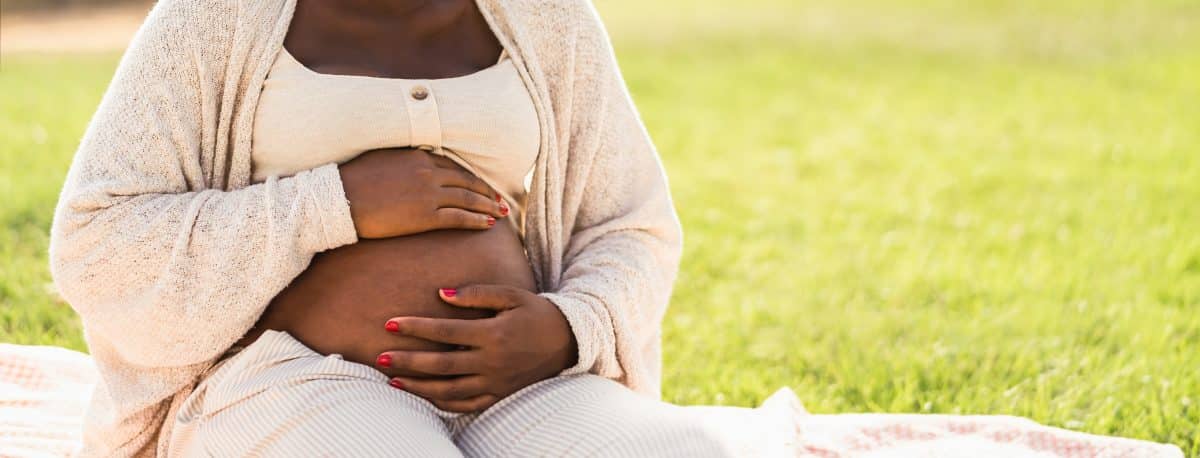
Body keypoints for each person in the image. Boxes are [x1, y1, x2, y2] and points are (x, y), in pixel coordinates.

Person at [49, 0, 732, 455]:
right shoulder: (214, 17)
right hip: (296, 380)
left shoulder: (545, 16)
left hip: (522, 385)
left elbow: (629, 223)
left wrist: (567, 330)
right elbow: (99, 238)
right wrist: (332, 202)